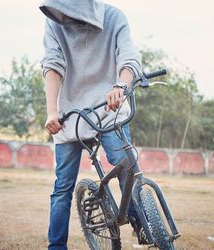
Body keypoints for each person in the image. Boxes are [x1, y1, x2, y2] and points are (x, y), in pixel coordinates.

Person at [39, 0, 146, 249]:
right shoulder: (54, 22)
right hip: (70, 114)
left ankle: (144, 223)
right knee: (63, 185)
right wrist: (52, 111)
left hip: (110, 107)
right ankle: (56, 246)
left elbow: (129, 57)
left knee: (127, 167)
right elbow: (52, 64)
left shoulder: (114, 17)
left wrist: (120, 86)